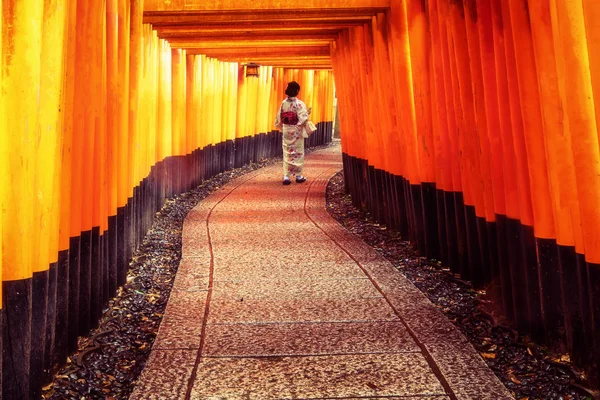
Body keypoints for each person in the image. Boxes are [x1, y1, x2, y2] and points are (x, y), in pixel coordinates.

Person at [275, 81, 309, 185]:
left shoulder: (284, 103)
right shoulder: (300, 104)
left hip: (286, 129)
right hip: (296, 130)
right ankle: (298, 176)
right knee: (298, 152)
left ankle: (286, 176)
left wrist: (283, 125)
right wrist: (306, 114)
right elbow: (303, 118)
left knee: (287, 151)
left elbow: (279, 117)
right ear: (297, 91)